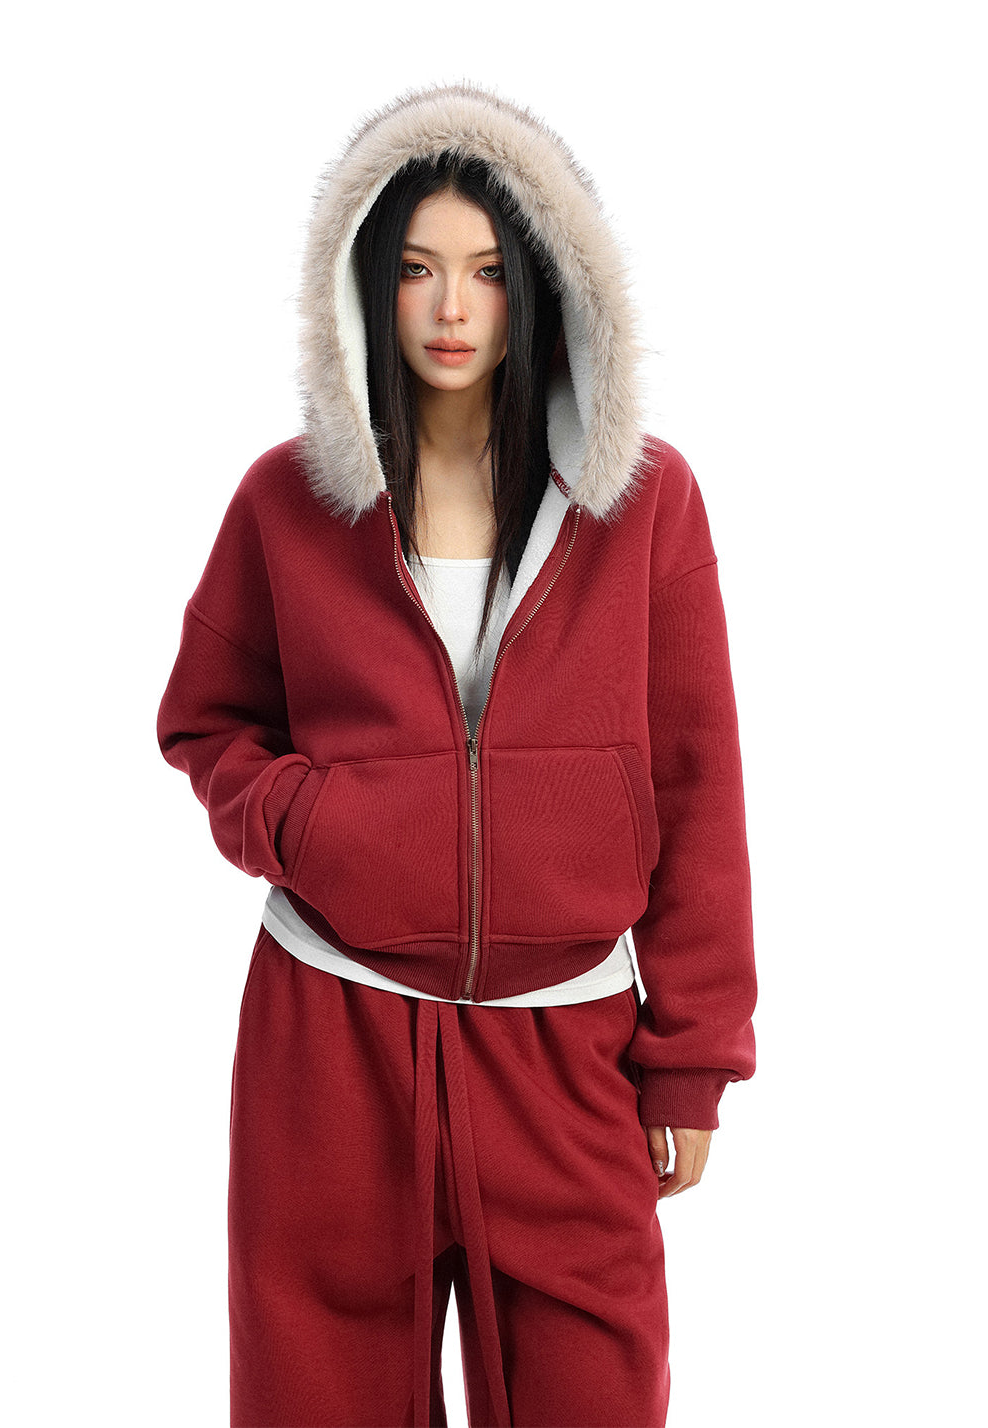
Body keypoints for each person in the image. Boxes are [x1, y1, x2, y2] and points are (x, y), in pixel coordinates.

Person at [157, 83, 757, 1428]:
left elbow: (698, 781)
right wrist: (309, 822)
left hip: (568, 1047)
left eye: (486, 272)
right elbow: (205, 719)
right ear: (367, 288)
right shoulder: (285, 500)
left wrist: (692, 1057)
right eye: (417, 269)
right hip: (335, 1032)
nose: (450, 308)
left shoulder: (645, 506)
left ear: (539, 290)